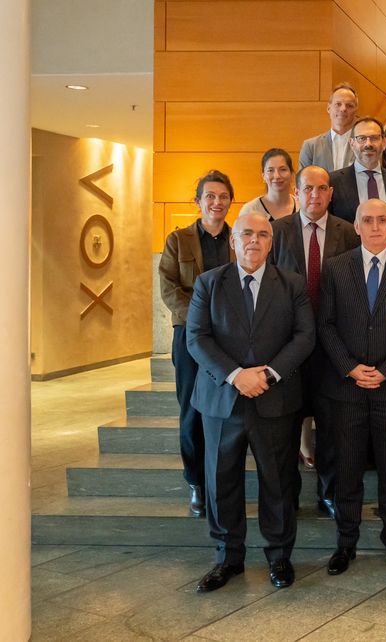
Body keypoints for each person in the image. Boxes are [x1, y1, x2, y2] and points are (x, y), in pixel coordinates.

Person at [187, 212, 316, 592]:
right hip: (221, 400)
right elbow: (197, 338)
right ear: (233, 239)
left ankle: (279, 556)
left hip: (274, 399)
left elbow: (304, 337)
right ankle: (228, 558)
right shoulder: (208, 283)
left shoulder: (292, 284)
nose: (254, 241)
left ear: (271, 242)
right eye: (246, 233)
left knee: (276, 482)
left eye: (263, 234)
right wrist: (236, 375)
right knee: (220, 480)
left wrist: (268, 374)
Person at [317, 199, 386, 576]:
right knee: (347, 472)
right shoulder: (335, 269)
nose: (375, 226)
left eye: (382, 220)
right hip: (346, 389)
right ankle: (345, 544)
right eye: (367, 220)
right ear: (356, 227)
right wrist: (350, 368)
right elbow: (325, 324)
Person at [268, 165, 359, 518]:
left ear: (331, 194)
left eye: (322, 189)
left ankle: (329, 493)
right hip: (288, 347)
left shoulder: (348, 233)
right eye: (308, 188)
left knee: (331, 427)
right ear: (297, 192)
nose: (315, 195)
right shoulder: (277, 232)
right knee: (286, 426)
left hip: (332, 346)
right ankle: (287, 496)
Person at [158, 170, 235, 519]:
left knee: (226, 411)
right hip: (189, 335)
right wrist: (201, 318)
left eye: (223, 196)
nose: (217, 202)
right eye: (210, 196)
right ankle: (197, 483)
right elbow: (169, 286)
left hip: (232, 336)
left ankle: (223, 480)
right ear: (198, 201)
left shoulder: (240, 237)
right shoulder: (179, 239)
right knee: (191, 410)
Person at [329, 116, 386, 238]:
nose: (368, 144)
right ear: (352, 143)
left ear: (384, 143)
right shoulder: (334, 181)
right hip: (349, 255)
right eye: (362, 138)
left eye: (374, 138)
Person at [299, 82, 359, 172]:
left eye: (349, 105)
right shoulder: (311, 147)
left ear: (355, 111)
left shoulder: (363, 145)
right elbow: (303, 183)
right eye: (338, 104)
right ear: (328, 108)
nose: (343, 109)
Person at [239, 149, 298, 221]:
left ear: (292, 174)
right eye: (270, 170)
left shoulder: (302, 206)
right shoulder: (250, 210)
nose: (277, 176)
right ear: (263, 176)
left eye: (283, 169)